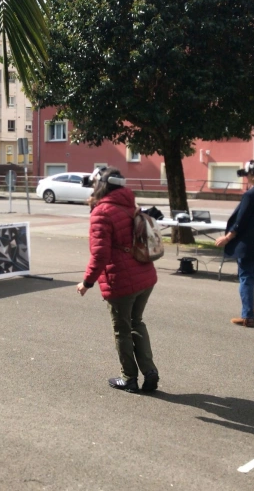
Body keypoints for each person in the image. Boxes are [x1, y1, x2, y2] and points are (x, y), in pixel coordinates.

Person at [76, 166, 159, 394]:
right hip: (145, 275)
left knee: (122, 329)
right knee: (136, 323)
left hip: (121, 279)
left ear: (100, 185)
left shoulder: (101, 212)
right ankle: (150, 371)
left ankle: (129, 378)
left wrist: (87, 282)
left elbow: (100, 255)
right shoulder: (130, 204)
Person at [215, 159, 254, 327]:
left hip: (249, 243)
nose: (245, 177)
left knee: (246, 277)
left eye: (247, 175)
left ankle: (247, 316)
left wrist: (227, 238)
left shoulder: (250, 195)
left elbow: (241, 221)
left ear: (253, 175)